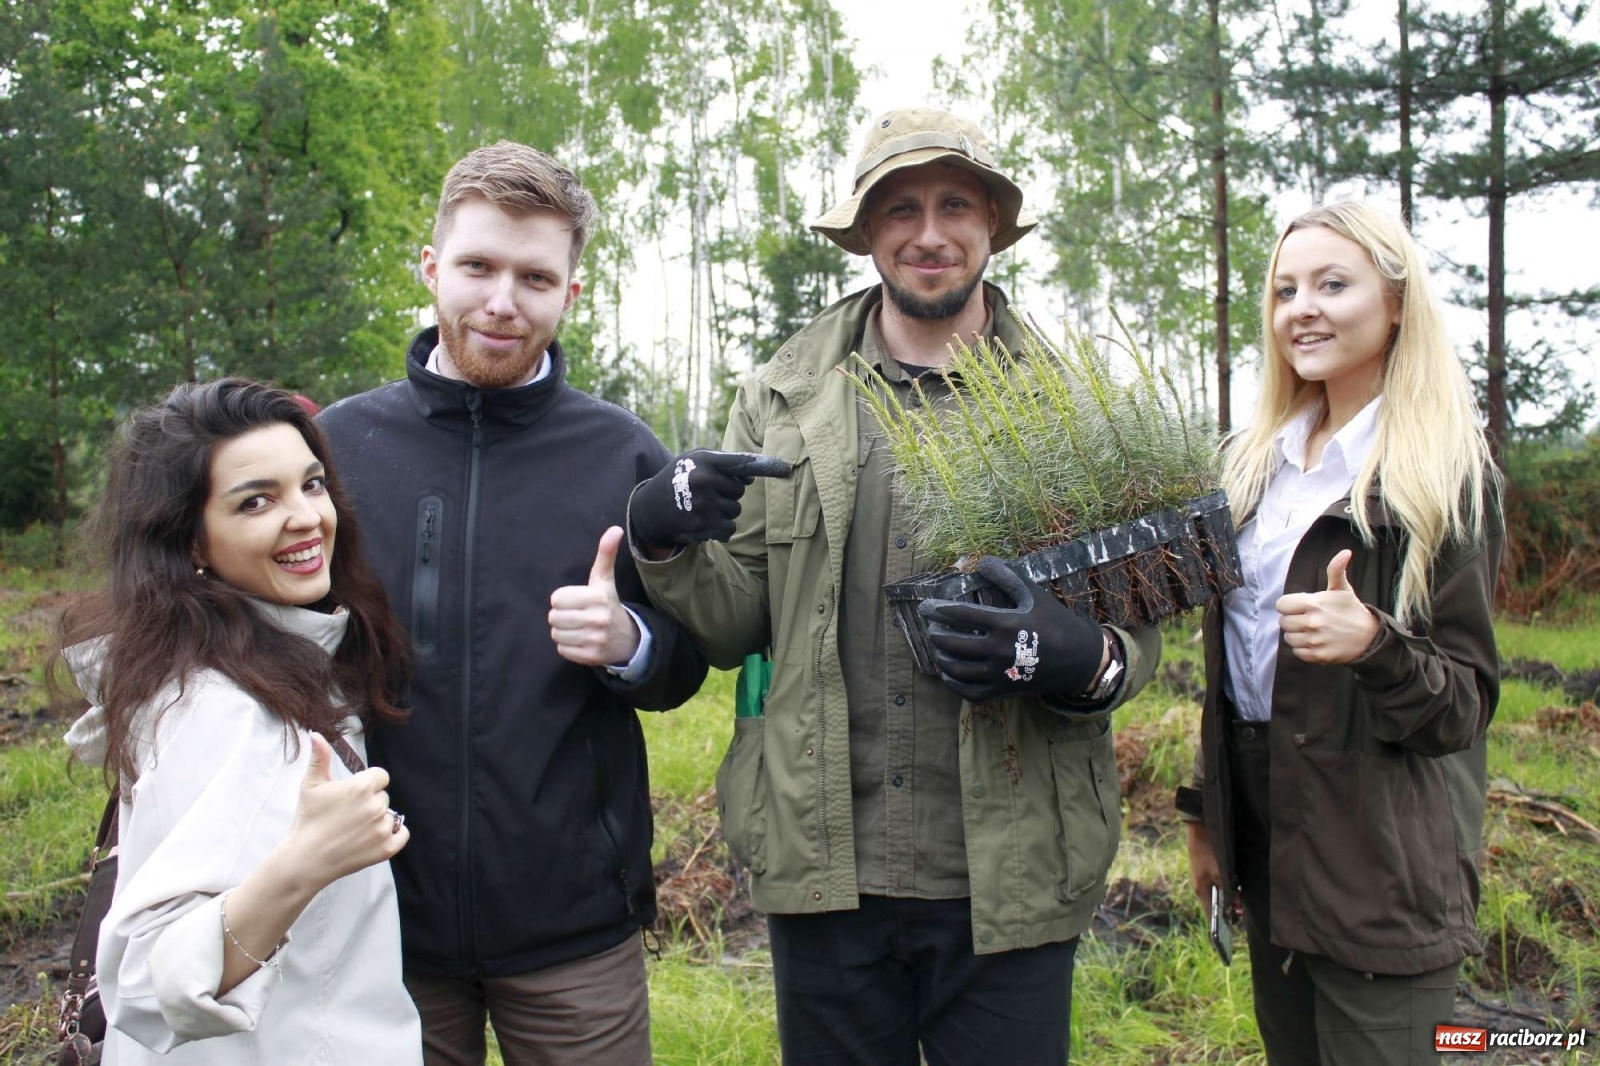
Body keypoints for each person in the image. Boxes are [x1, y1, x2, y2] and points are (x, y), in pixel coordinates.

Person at [625, 107, 1162, 1064]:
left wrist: (1076, 655)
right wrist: (663, 540)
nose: (928, 233)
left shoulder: (1073, 403)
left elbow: (1135, 630)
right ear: (866, 231)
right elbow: (738, 623)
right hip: (826, 857)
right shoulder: (782, 396)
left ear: (992, 222)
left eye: (955, 203)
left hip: (1012, 870)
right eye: (898, 207)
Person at [318, 140, 708, 1066]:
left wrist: (629, 642)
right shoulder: (334, 449)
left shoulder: (624, 456)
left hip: (572, 927)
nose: (502, 301)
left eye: (535, 276)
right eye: (478, 266)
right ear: (432, 268)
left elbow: (688, 659)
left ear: (571, 293)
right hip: (377, 921)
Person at [1175, 201, 1503, 1065]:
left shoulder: (1440, 476)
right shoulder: (1251, 469)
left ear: (1396, 303)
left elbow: (1464, 705)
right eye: (1285, 290)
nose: (1301, 309)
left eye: (1332, 284)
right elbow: (1234, 672)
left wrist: (1376, 644)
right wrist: (1208, 817)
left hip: (1380, 861)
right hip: (1269, 845)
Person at [58, 378, 422, 1065]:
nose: (306, 517)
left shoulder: (267, 659)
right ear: (191, 540)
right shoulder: (221, 708)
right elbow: (141, 983)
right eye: (256, 501)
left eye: (311, 485)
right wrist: (303, 865)